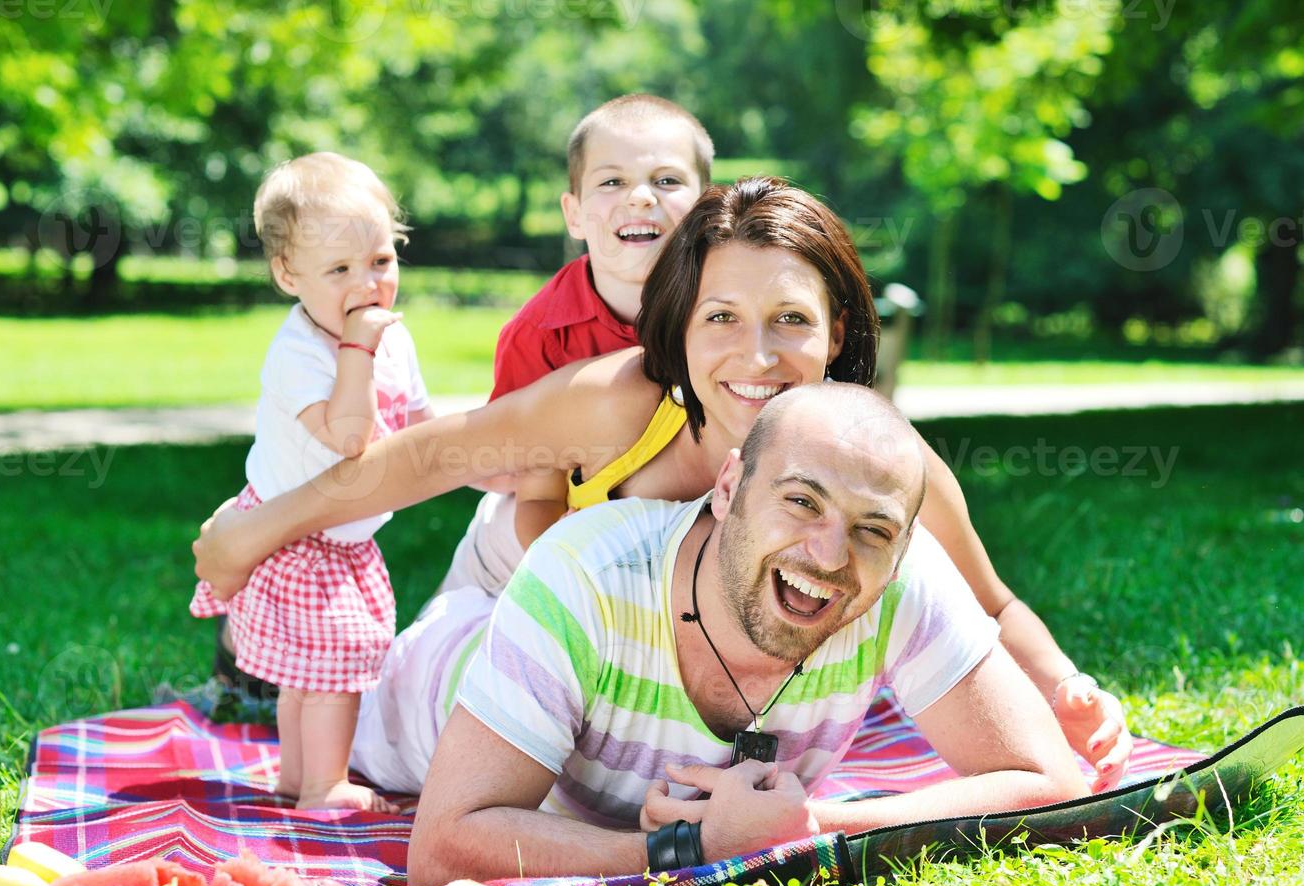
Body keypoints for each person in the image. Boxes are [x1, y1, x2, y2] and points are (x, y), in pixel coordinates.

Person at [193, 177, 1131, 792]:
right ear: (680, 327)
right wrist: (259, 529)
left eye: (791, 321)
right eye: (720, 316)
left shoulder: (881, 464)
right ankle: (291, 687)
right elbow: (432, 455)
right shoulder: (621, 404)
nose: (756, 357)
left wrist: (1067, 690)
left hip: (653, 681)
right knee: (450, 721)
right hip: (510, 589)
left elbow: (991, 602)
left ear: (840, 333)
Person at [398, 384, 1087, 884]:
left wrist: (809, 831)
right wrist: (688, 849)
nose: (828, 554)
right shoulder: (584, 574)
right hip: (428, 683)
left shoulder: (902, 574)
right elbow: (444, 844)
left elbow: (1049, 782)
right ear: (726, 487)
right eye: (799, 501)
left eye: (872, 530)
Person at [189, 152, 432, 812]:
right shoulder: (299, 352)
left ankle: (296, 779)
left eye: (381, 262)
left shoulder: (392, 338)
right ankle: (324, 785)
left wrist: (492, 463)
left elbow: (419, 424)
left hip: (338, 535)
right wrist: (358, 348)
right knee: (335, 666)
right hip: (294, 535)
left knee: (311, 669)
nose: (367, 285)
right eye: (339, 270)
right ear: (287, 275)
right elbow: (350, 437)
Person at [441, 93, 713, 595]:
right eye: (612, 181)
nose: (640, 197)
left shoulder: (727, 310)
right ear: (574, 214)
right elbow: (533, 489)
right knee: (455, 633)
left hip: (680, 528)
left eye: (667, 180)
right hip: (539, 536)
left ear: (707, 206)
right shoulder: (541, 334)